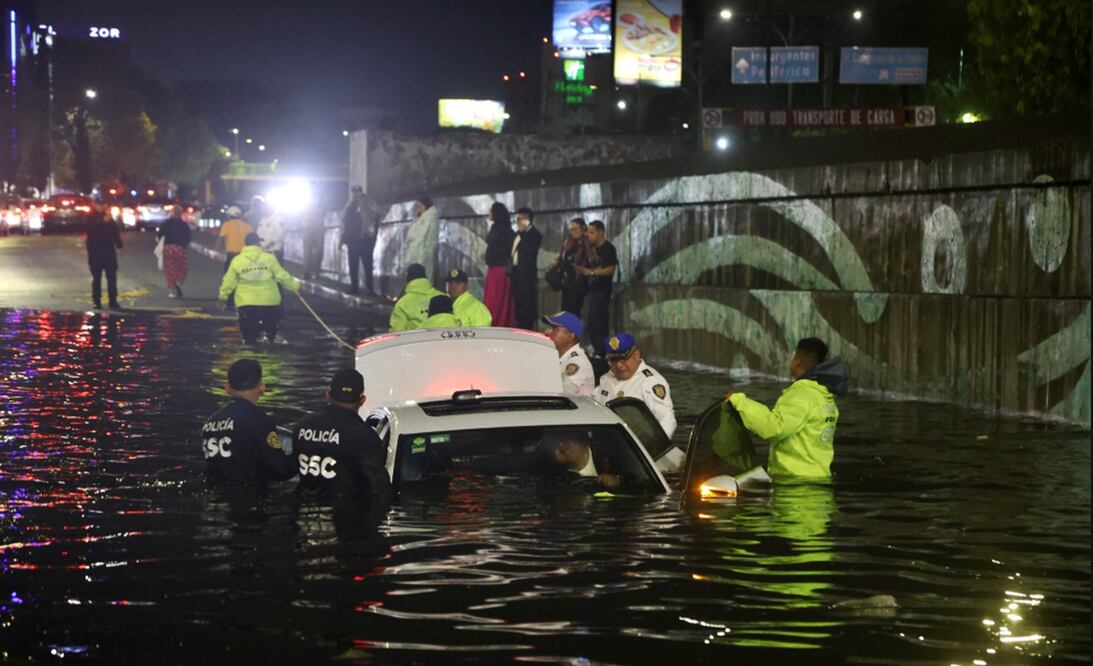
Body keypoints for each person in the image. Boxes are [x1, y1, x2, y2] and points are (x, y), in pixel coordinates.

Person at [726, 337, 847, 481]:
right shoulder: (823, 396)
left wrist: (739, 401)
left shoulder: (802, 395)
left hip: (795, 484)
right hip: (818, 477)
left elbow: (775, 427)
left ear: (796, 361)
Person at [291, 368, 392, 506]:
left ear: (327, 395)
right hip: (344, 516)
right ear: (362, 400)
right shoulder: (363, 435)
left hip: (305, 509)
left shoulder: (302, 426)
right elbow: (378, 489)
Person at [201, 358, 297, 484]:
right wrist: (302, 453)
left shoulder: (210, 423)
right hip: (248, 498)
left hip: (214, 498)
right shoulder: (259, 421)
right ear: (262, 388)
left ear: (227, 388)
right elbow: (281, 470)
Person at [218, 233, 300, 345]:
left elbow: (228, 282)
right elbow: (282, 276)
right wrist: (295, 286)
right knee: (270, 336)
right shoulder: (269, 258)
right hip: (269, 303)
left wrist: (223, 297)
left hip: (246, 304)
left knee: (248, 338)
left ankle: (249, 355)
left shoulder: (237, 260)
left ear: (246, 244)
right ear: (257, 243)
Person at [594, 333, 676, 440]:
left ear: (636, 355)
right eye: (613, 360)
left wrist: (652, 449)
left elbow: (667, 419)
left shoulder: (650, 382)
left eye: (623, 359)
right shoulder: (607, 378)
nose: (618, 365)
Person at [580, 220, 618, 358]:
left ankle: (603, 353)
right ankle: (597, 351)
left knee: (599, 322)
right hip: (591, 290)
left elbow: (610, 269)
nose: (589, 235)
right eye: (588, 232)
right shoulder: (590, 249)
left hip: (602, 291)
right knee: (590, 323)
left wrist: (592, 272)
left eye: (592, 232)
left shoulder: (608, 249)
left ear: (601, 232)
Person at [340, 185, 382, 294]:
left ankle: (370, 289)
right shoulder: (349, 205)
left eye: (358, 193)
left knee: (367, 265)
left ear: (361, 193)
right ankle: (354, 288)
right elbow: (344, 222)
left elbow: (375, 216)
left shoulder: (370, 202)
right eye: (354, 193)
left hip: (366, 240)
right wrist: (342, 238)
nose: (356, 195)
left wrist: (363, 206)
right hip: (352, 240)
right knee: (353, 265)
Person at [542, 311, 594, 396]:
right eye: (548, 327)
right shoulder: (558, 358)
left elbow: (563, 395)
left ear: (571, 336)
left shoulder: (577, 362)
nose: (547, 332)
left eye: (554, 328)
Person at [546, 432, 620, 489]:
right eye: (553, 445)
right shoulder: (554, 480)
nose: (561, 445)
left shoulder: (612, 455)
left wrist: (617, 481)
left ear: (576, 437)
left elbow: (629, 479)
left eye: (563, 438)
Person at [482, 202, 516, 326]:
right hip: (493, 268)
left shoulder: (506, 230)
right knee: (492, 299)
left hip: (501, 269)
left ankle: (498, 323)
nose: (489, 213)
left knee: (497, 300)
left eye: (491, 211)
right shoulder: (495, 227)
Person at [510, 207, 542, 330]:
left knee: (527, 306)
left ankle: (527, 328)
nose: (517, 222)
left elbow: (530, 250)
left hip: (527, 276)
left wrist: (524, 231)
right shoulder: (518, 234)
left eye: (519, 219)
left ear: (526, 220)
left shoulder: (534, 234)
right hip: (516, 274)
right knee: (518, 305)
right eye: (516, 219)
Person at [85, 209, 123, 309]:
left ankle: (113, 301)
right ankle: (97, 301)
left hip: (108, 251)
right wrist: (102, 221)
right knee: (96, 278)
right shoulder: (91, 217)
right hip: (95, 251)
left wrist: (119, 245)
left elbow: (115, 232)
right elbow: (89, 229)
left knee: (111, 277)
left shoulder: (109, 218)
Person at [388, 263, 443, 332]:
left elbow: (396, 333)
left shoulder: (403, 303)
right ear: (425, 276)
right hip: (444, 342)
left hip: (416, 342)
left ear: (408, 278)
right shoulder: (444, 298)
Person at [553, 217, 590, 315]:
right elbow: (563, 256)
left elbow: (590, 257)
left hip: (579, 281)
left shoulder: (586, 242)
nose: (573, 232)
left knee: (574, 309)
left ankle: (574, 329)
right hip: (567, 280)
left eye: (575, 229)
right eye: (571, 229)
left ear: (583, 228)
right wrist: (558, 260)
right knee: (565, 309)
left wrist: (586, 237)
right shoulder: (569, 241)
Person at [157, 207, 192, 299]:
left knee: (170, 269)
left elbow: (160, 235)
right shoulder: (184, 225)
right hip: (181, 249)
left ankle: (173, 290)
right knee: (180, 267)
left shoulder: (166, 223)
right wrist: (183, 244)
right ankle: (179, 281)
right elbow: (188, 237)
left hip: (169, 249)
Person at [217, 206, 252, 273]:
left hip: (232, 256)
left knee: (228, 277)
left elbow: (220, 238)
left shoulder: (226, 225)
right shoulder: (247, 226)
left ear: (229, 215)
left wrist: (216, 252)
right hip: (245, 255)